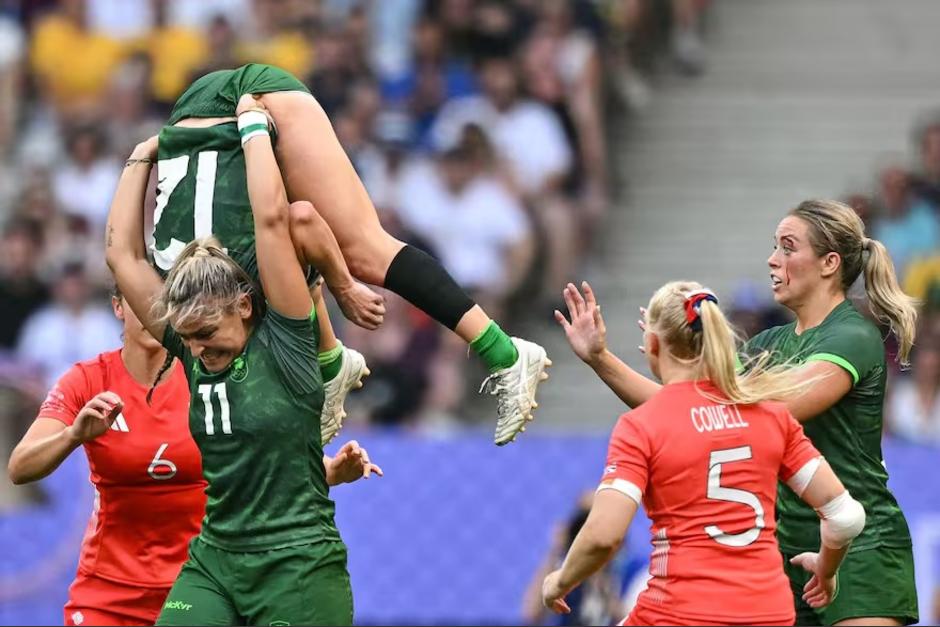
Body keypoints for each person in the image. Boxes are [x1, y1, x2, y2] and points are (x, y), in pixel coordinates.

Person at [554, 199, 920, 625]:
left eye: (787, 247)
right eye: (774, 247)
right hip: (783, 555)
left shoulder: (853, 336)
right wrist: (600, 358)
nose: (772, 259)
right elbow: (688, 414)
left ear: (829, 264)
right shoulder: (770, 343)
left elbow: (767, 413)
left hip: (861, 550)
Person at [152, 63, 551, 445]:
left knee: (365, 254)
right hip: (194, 125)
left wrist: (345, 289)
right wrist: (140, 157)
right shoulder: (182, 295)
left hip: (253, 101)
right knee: (288, 264)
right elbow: (119, 255)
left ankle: (506, 354)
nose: (207, 352)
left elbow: (301, 217)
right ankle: (333, 364)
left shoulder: (220, 286)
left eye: (211, 344)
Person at [104, 95, 378, 625]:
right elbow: (123, 256)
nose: (197, 348)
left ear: (245, 305)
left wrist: (254, 132)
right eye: (189, 337)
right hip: (216, 558)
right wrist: (143, 154)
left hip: (297, 560)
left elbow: (275, 220)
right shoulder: (189, 344)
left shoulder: (287, 341)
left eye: (207, 333)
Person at [6, 284, 382, 626]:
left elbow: (260, 456)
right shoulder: (87, 380)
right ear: (119, 307)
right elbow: (21, 467)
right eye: (143, 300)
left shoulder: (209, 373)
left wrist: (330, 470)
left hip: (202, 588)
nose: (156, 314)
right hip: (108, 594)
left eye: (165, 303)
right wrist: (74, 435)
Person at [544, 281, 866, 626]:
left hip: (678, 613)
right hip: (769, 613)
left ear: (652, 343)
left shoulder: (643, 424)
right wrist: (827, 569)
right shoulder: (771, 417)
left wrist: (558, 581)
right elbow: (845, 516)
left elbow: (604, 536)